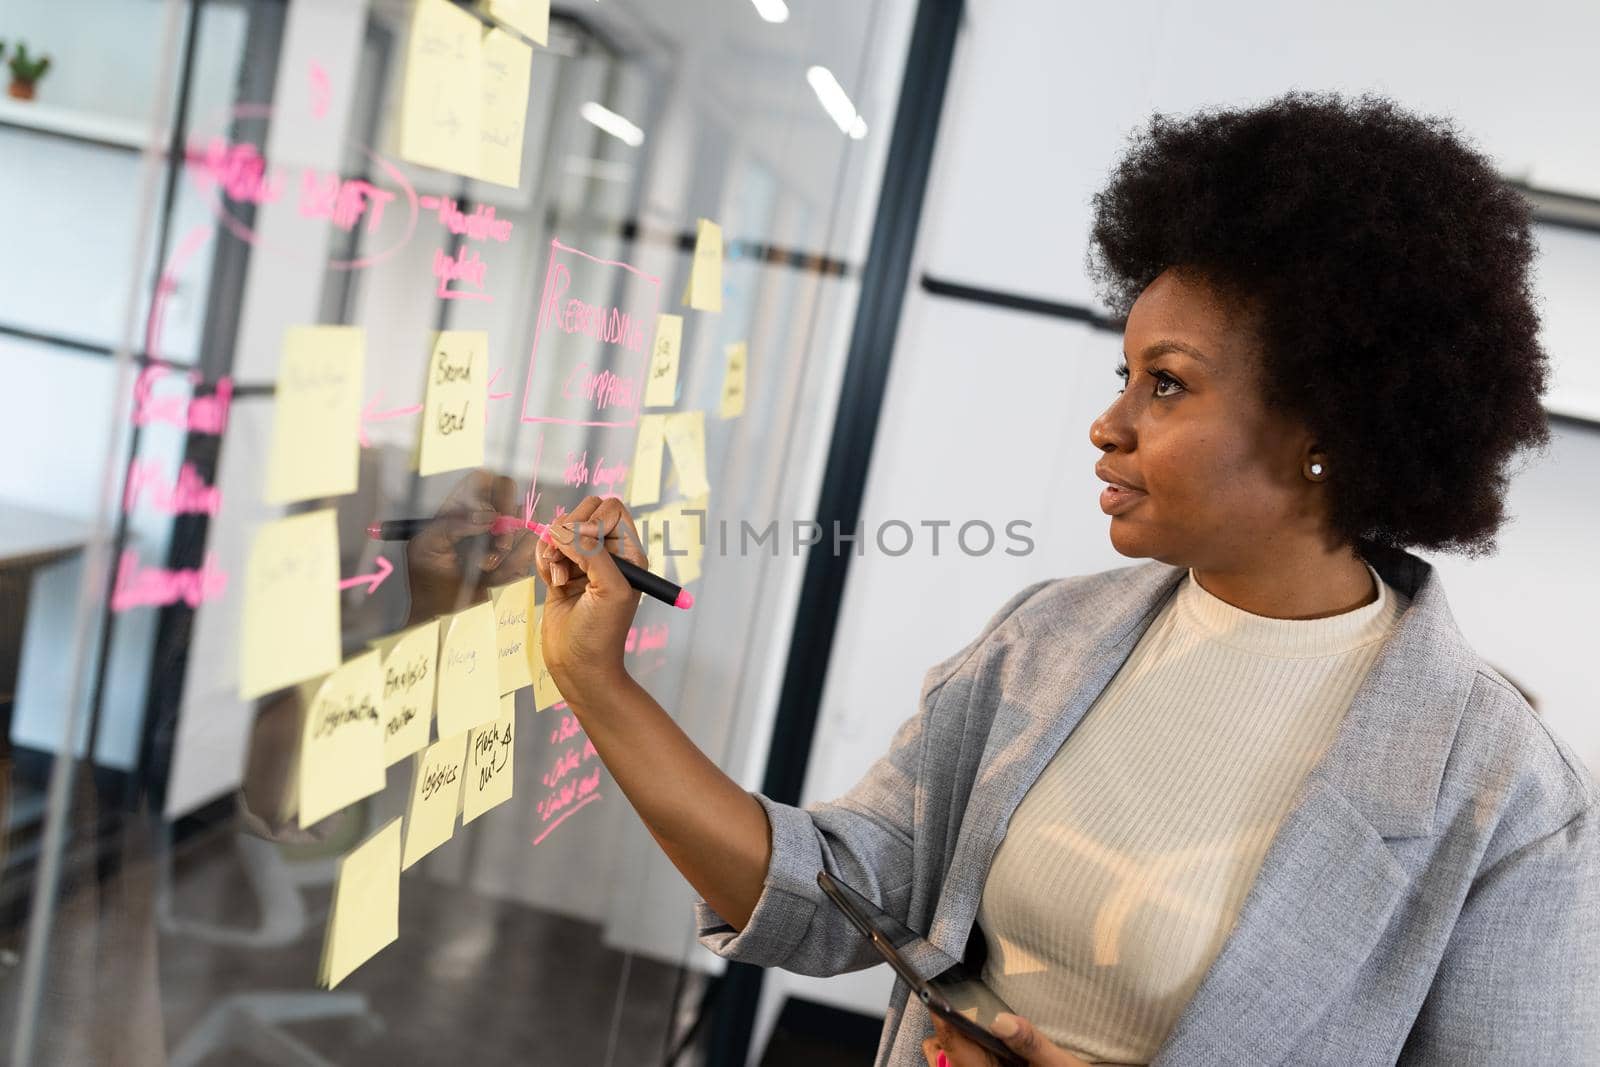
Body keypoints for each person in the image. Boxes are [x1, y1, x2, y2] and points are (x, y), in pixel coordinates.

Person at [530, 91, 1600, 1066]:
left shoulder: (1507, 799)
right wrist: (597, 681)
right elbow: (833, 896)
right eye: (1122, 375)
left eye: (1167, 385)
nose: (1109, 422)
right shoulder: (1049, 635)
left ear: (1322, 424)